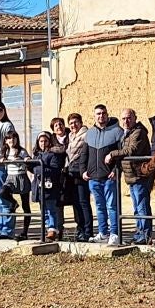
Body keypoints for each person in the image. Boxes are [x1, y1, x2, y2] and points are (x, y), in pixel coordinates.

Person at [84, 104, 125, 245]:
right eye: (98, 114)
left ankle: (114, 234)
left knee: (112, 207)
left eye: (103, 113)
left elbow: (122, 155)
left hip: (109, 177)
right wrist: (83, 170)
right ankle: (103, 233)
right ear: (94, 116)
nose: (101, 116)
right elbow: (84, 154)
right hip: (93, 178)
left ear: (107, 114)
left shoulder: (117, 131)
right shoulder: (89, 133)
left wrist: (115, 171)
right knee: (99, 207)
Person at [119, 108, 154, 244]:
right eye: (123, 119)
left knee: (142, 206)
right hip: (131, 176)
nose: (126, 121)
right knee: (136, 207)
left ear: (135, 118)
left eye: (129, 118)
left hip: (140, 175)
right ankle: (140, 232)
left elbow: (131, 150)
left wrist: (113, 154)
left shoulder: (138, 132)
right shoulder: (126, 133)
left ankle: (145, 235)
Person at [63, 113, 92, 241]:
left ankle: (87, 230)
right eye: (71, 123)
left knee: (83, 202)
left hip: (81, 172)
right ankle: (80, 229)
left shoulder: (86, 135)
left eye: (76, 122)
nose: (73, 125)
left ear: (81, 123)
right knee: (76, 203)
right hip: (71, 172)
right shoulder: (70, 136)